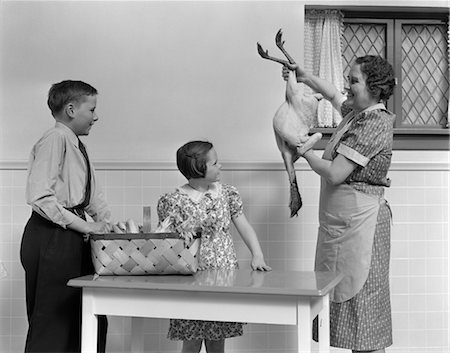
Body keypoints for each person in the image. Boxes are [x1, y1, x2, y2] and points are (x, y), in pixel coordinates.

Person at [282, 55, 396, 353]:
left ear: (374, 87)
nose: (348, 86)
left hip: (363, 227)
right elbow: (333, 95)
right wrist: (304, 76)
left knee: (365, 312)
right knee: (349, 309)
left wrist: (303, 151)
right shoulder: (357, 114)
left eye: (354, 81)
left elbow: (335, 173)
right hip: (345, 225)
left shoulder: (374, 122)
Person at [20, 80, 111, 352]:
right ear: (71, 109)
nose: (96, 116)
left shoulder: (77, 144)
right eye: (91, 109)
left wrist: (106, 225)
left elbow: (92, 195)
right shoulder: (55, 139)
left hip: (71, 236)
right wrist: (87, 226)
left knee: (86, 315)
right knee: (54, 321)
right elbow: (40, 197)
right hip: (51, 238)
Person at [157, 140, 271, 353]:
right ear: (199, 167)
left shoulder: (226, 193)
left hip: (224, 276)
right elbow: (166, 240)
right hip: (191, 279)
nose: (221, 166)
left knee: (217, 340)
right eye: (215, 163)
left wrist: (258, 255)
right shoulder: (173, 200)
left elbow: (243, 225)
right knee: (191, 340)